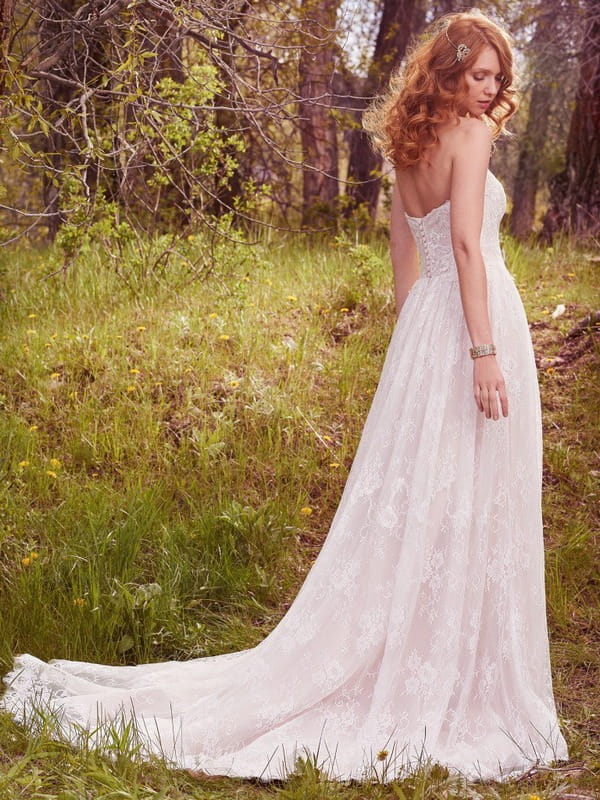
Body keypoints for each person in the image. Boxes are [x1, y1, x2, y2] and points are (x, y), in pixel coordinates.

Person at [1, 10, 568, 784]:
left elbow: (406, 258)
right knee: (461, 490)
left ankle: (440, 643)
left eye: (498, 80)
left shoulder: (408, 145)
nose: (489, 90)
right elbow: (466, 244)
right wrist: (481, 353)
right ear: (449, 72)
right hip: (472, 326)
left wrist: (415, 348)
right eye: (479, 76)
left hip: (431, 325)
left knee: (443, 493)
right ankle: (447, 666)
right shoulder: (469, 136)